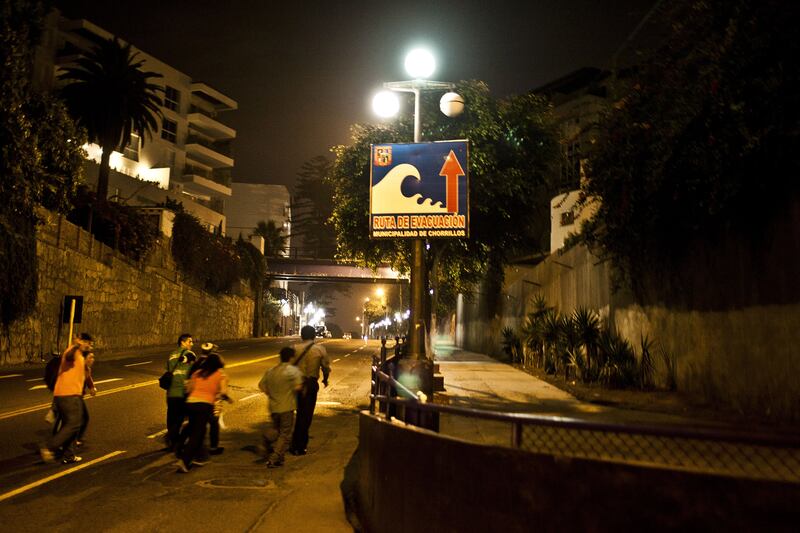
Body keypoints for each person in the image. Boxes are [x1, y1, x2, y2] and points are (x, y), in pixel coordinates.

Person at [40, 332, 93, 464]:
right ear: (81, 341)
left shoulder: (80, 355)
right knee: (74, 424)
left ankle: (69, 455)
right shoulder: (73, 351)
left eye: (91, 344)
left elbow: (82, 374)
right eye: (87, 343)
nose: (89, 346)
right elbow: (69, 356)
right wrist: (76, 345)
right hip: (69, 395)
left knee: (70, 425)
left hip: (67, 394)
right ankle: (49, 447)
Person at [177, 352, 229, 473]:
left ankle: (199, 457)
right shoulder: (220, 375)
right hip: (204, 405)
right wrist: (223, 396)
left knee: (195, 429)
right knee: (197, 434)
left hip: (190, 403)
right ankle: (184, 461)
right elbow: (223, 392)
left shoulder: (197, 373)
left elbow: (188, 389)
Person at [289, 325, 331, 456]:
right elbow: (325, 367)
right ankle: (300, 445)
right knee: (306, 415)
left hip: (296, 384)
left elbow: (288, 366)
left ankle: (294, 442)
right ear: (314, 336)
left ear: (302, 335)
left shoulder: (295, 348)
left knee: (296, 413)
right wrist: (325, 379)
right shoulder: (320, 349)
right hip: (311, 384)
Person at [258, 346, 303, 468]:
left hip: (273, 406)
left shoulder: (271, 370)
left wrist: (271, 393)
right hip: (287, 406)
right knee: (285, 434)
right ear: (291, 357)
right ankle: (274, 457)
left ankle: (277, 453)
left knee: (276, 429)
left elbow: (261, 385)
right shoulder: (293, 371)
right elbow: (298, 387)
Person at [165, 333, 196, 452]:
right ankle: (176, 441)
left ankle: (172, 442)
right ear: (182, 342)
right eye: (190, 341)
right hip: (183, 391)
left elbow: (168, 368)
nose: (192, 344)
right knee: (182, 418)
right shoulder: (191, 354)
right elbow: (194, 372)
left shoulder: (172, 354)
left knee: (171, 417)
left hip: (171, 391)